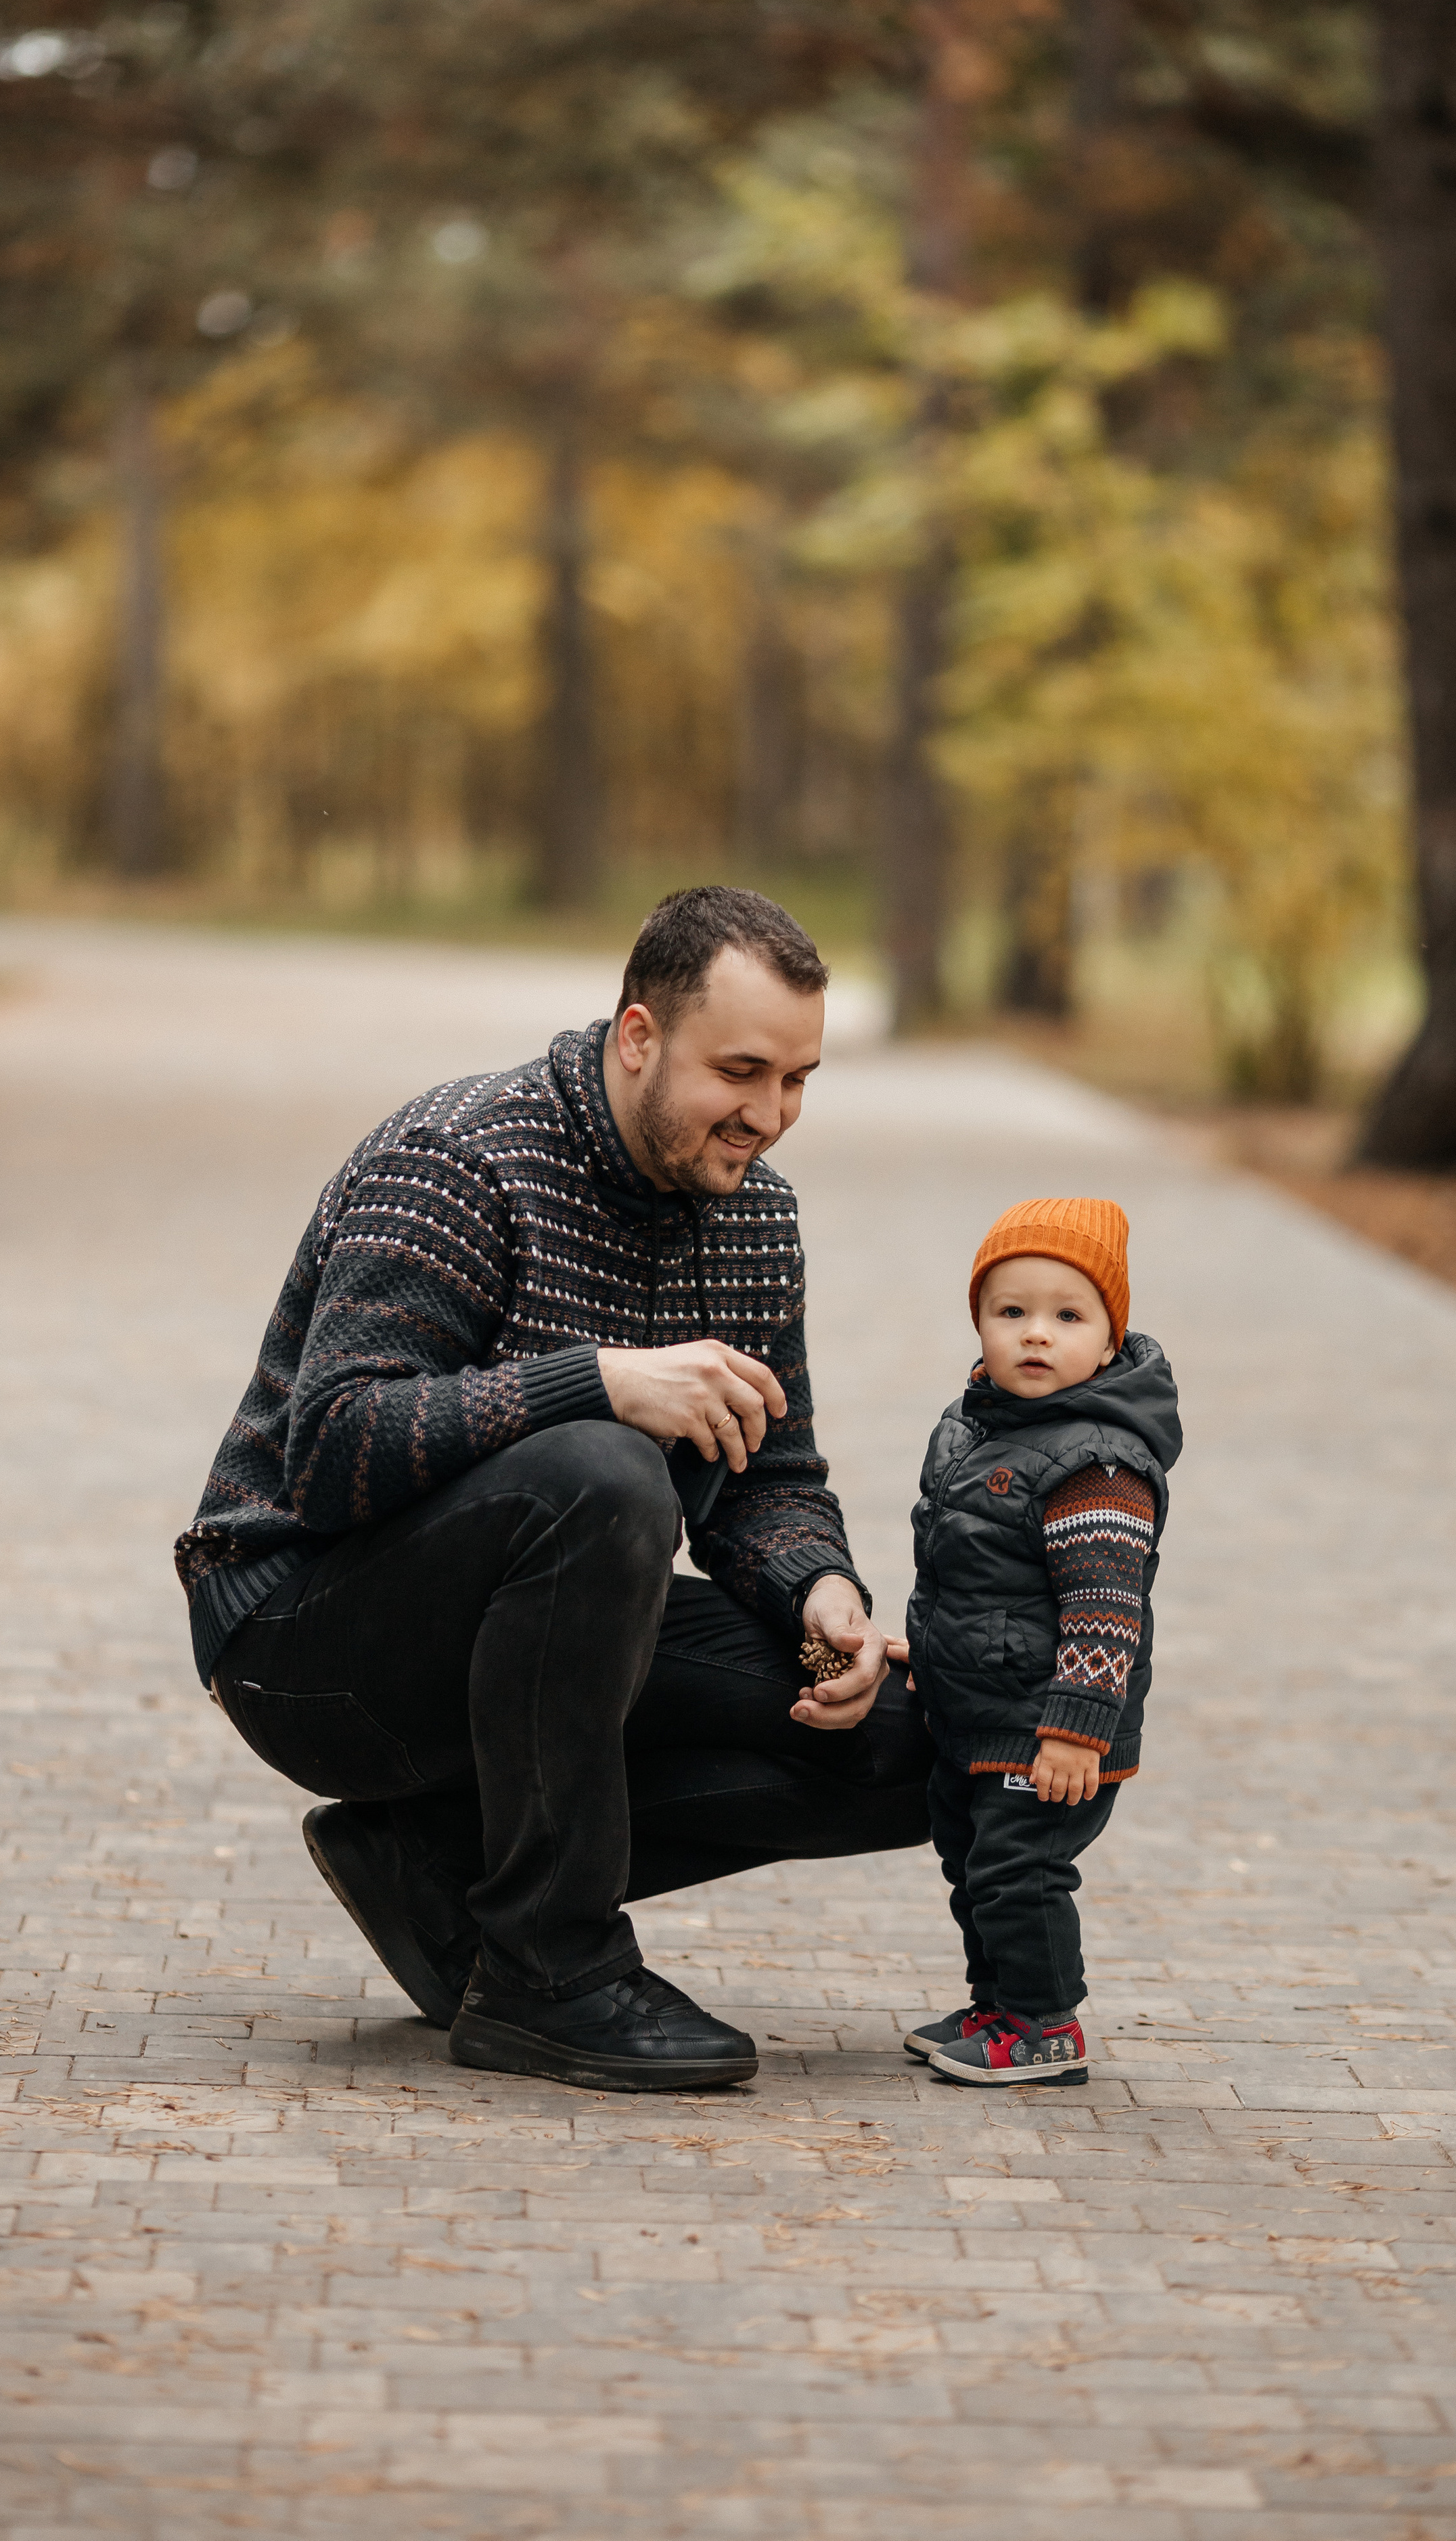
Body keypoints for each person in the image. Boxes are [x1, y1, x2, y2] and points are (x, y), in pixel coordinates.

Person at [175, 886, 929, 2092]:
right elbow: (329, 1452)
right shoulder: (459, 1160)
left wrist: (819, 1588)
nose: (771, 1116)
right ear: (639, 1035)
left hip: (546, 1614)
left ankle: (438, 1866)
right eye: (740, 1071)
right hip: (303, 1638)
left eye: (798, 1079)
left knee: (919, 1738)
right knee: (605, 1471)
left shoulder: (754, 1217)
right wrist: (594, 1384)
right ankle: (549, 1969)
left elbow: (771, 1471)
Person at [901, 1198, 1182, 2087]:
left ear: (1108, 1340)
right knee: (975, 1861)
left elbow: (1105, 1610)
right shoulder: (975, 1430)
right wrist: (933, 1650)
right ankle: (997, 2001)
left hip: (1052, 1727)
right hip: (983, 1705)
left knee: (1020, 1870)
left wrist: (1074, 1729)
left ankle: (1043, 2025)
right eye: (1010, 1312)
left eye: (1068, 1316)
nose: (1035, 1334)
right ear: (980, 1324)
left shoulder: (1096, 1461)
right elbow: (967, 1572)